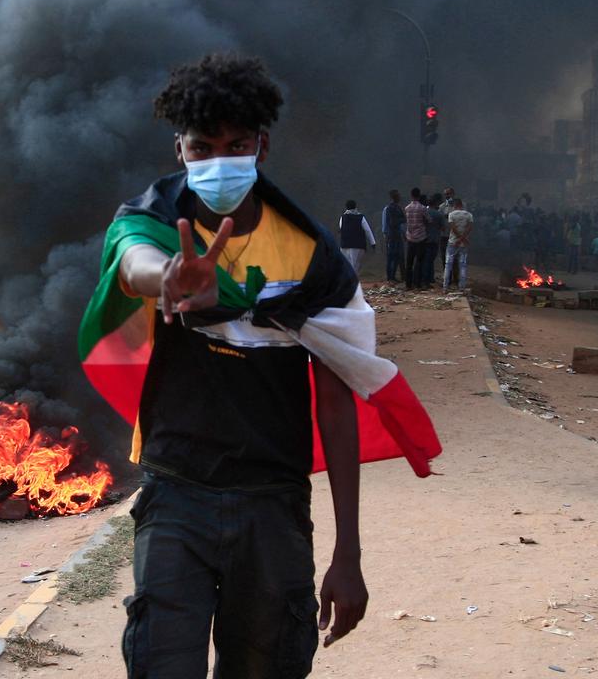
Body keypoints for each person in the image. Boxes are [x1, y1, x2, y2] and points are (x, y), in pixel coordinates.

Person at [83, 53, 384, 678]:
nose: (219, 161)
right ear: (179, 150)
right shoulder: (154, 221)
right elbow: (132, 259)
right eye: (203, 147)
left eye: (236, 145)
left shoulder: (310, 257)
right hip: (176, 493)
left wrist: (348, 552)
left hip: (272, 502)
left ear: (262, 147)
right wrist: (168, 277)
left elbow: (336, 401)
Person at [442, 197, 473, 292]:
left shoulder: (451, 214)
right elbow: (470, 227)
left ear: (455, 205)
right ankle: (461, 287)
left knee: (448, 265)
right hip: (463, 243)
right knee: (462, 265)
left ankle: (445, 287)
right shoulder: (469, 215)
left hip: (452, 242)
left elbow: (452, 228)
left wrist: (458, 238)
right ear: (462, 205)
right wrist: (463, 238)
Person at [338, 200, 376, 275]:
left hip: (344, 245)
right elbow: (368, 230)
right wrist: (373, 242)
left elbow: (341, 228)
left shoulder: (343, 217)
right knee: (355, 265)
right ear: (355, 206)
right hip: (357, 245)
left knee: (347, 265)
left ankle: (349, 283)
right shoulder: (360, 217)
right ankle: (354, 283)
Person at [403, 189, 428, 289]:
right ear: (419, 196)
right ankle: (417, 283)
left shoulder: (407, 208)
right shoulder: (422, 208)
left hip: (410, 237)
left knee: (409, 262)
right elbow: (428, 219)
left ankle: (408, 284)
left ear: (411, 195)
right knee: (419, 261)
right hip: (421, 237)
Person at [381, 190, 405, 282]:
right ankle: (390, 277)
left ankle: (393, 276)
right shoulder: (389, 208)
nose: (399, 197)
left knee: (397, 256)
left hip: (396, 234)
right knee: (392, 256)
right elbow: (389, 223)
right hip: (392, 235)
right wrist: (385, 234)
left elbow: (402, 220)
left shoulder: (397, 207)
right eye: (398, 196)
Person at [424, 195, 446, 288]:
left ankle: (426, 278)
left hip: (425, 239)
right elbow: (443, 228)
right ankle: (430, 278)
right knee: (431, 259)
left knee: (426, 259)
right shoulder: (439, 214)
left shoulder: (424, 213)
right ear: (436, 204)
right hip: (435, 239)